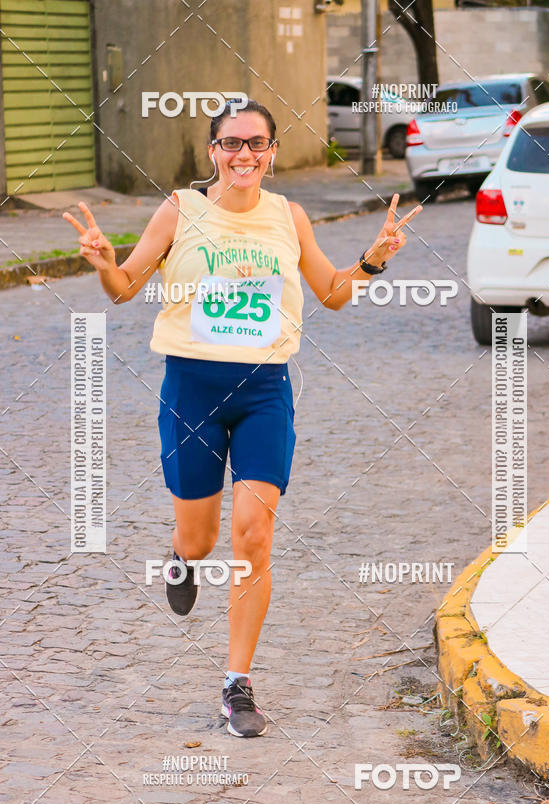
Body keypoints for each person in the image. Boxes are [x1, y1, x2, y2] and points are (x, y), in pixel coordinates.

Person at [63, 99, 421, 738]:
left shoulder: (290, 215)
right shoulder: (181, 209)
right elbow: (124, 288)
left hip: (265, 395)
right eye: (231, 144)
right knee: (201, 539)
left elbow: (333, 295)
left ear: (273, 152)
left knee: (254, 536)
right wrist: (101, 262)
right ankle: (182, 555)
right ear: (213, 152)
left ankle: (237, 686)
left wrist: (373, 257)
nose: (244, 155)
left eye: (256, 143)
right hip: (192, 392)